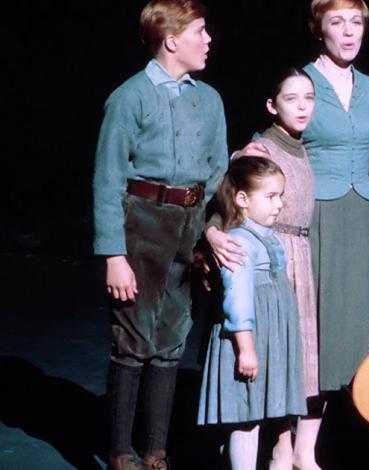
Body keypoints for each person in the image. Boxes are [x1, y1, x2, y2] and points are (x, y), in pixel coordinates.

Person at [208, 2, 369, 468]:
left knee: (328, 342)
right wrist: (212, 228)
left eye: (356, 21)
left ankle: (305, 448)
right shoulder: (300, 85)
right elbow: (243, 173)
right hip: (304, 222)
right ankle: (280, 445)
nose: (348, 32)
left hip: (355, 219)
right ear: (318, 29)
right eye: (336, 22)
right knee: (297, 338)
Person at [91, 1, 226, 468]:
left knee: (171, 339)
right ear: (172, 40)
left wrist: (209, 231)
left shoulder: (208, 99)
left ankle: (156, 449)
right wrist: (113, 254)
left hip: (187, 226)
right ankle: (121, 450)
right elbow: (108, 178)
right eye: (201, 32)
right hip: (141, 222)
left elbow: (217, 172)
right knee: (132, 338)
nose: (209, 40)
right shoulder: (130, 97)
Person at [203, 68, 319, 468]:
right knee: (246, 408)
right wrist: (215, 232)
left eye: (309, 98)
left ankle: (283, 453)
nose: (302, 107)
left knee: (266, 397)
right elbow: (237, 295)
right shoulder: (259, 153)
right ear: (273, 105)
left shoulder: (304, 148)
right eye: (292, 98)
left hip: (283, 278)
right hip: (251, 320)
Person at [198, 157, 307, 470]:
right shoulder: (240, 241)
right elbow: (238, 298)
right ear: (242, 199)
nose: (279, 204)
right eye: (270, 197)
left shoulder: (266, 235)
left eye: (281, 196)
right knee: (245, 415)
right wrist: (246, 349)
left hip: (268, 335)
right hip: (249, 339)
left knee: (257, 412)